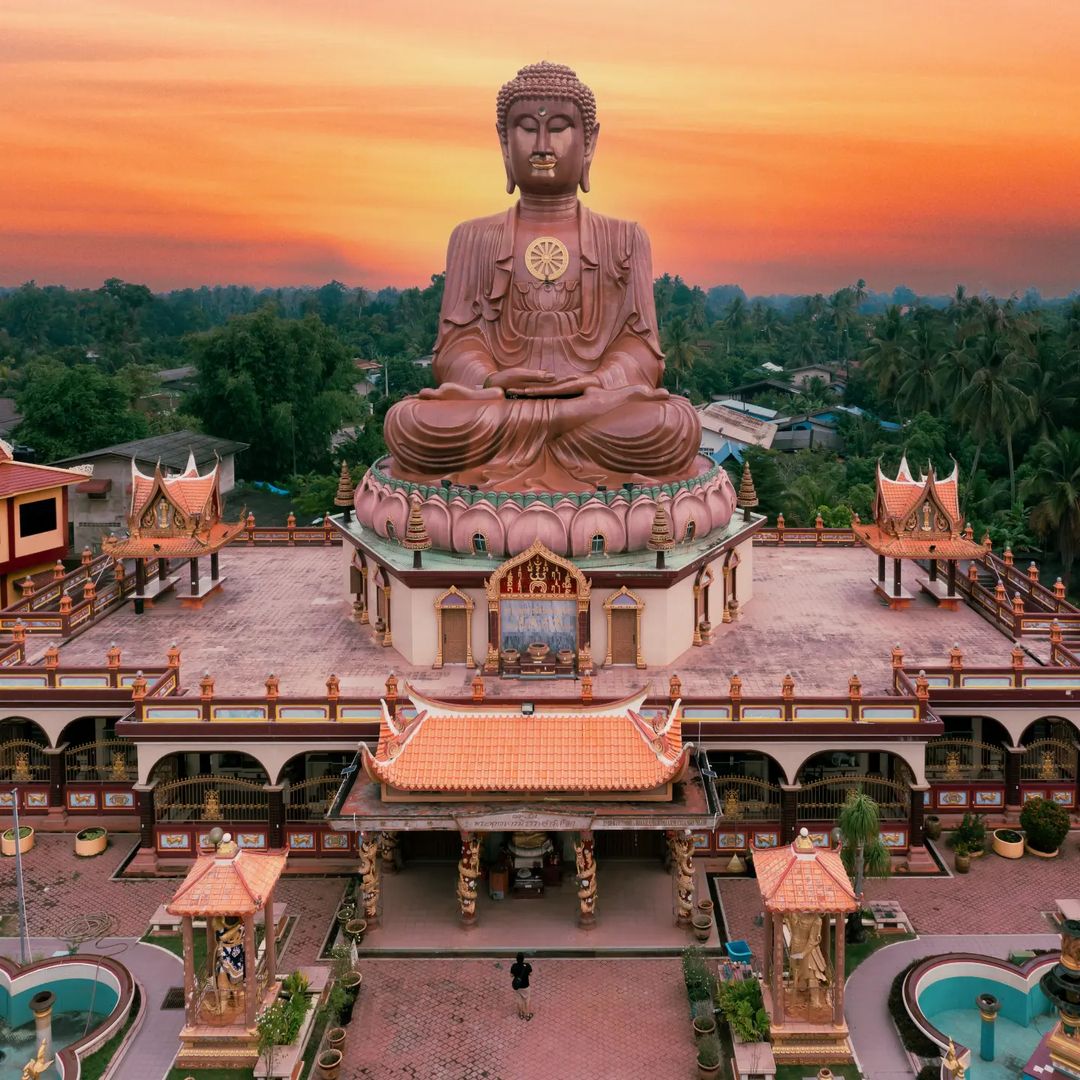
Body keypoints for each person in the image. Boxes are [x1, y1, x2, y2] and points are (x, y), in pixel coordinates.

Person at [510, 952, 533, 1019]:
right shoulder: (527, 965)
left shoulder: (514, 966)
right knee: (527, 1000)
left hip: (518, 987)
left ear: (516, 959)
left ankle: (521, 1014)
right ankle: (527, 1014)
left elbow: (511, 975)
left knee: (519, 1000)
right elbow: (531, 974)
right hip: (526, 986)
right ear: (523, 959)